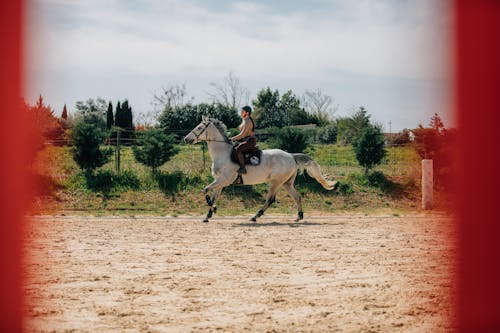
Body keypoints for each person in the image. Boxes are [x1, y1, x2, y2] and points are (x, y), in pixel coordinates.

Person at [231, 105, 256, 174]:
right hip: (245, 140)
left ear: (247, 113)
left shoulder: (248, 121)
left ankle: (243, 168)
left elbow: (242, 135)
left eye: (242, 111)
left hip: (250, 141)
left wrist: (231, 139)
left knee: (237, 150)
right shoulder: (244, 120)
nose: (241, 113)